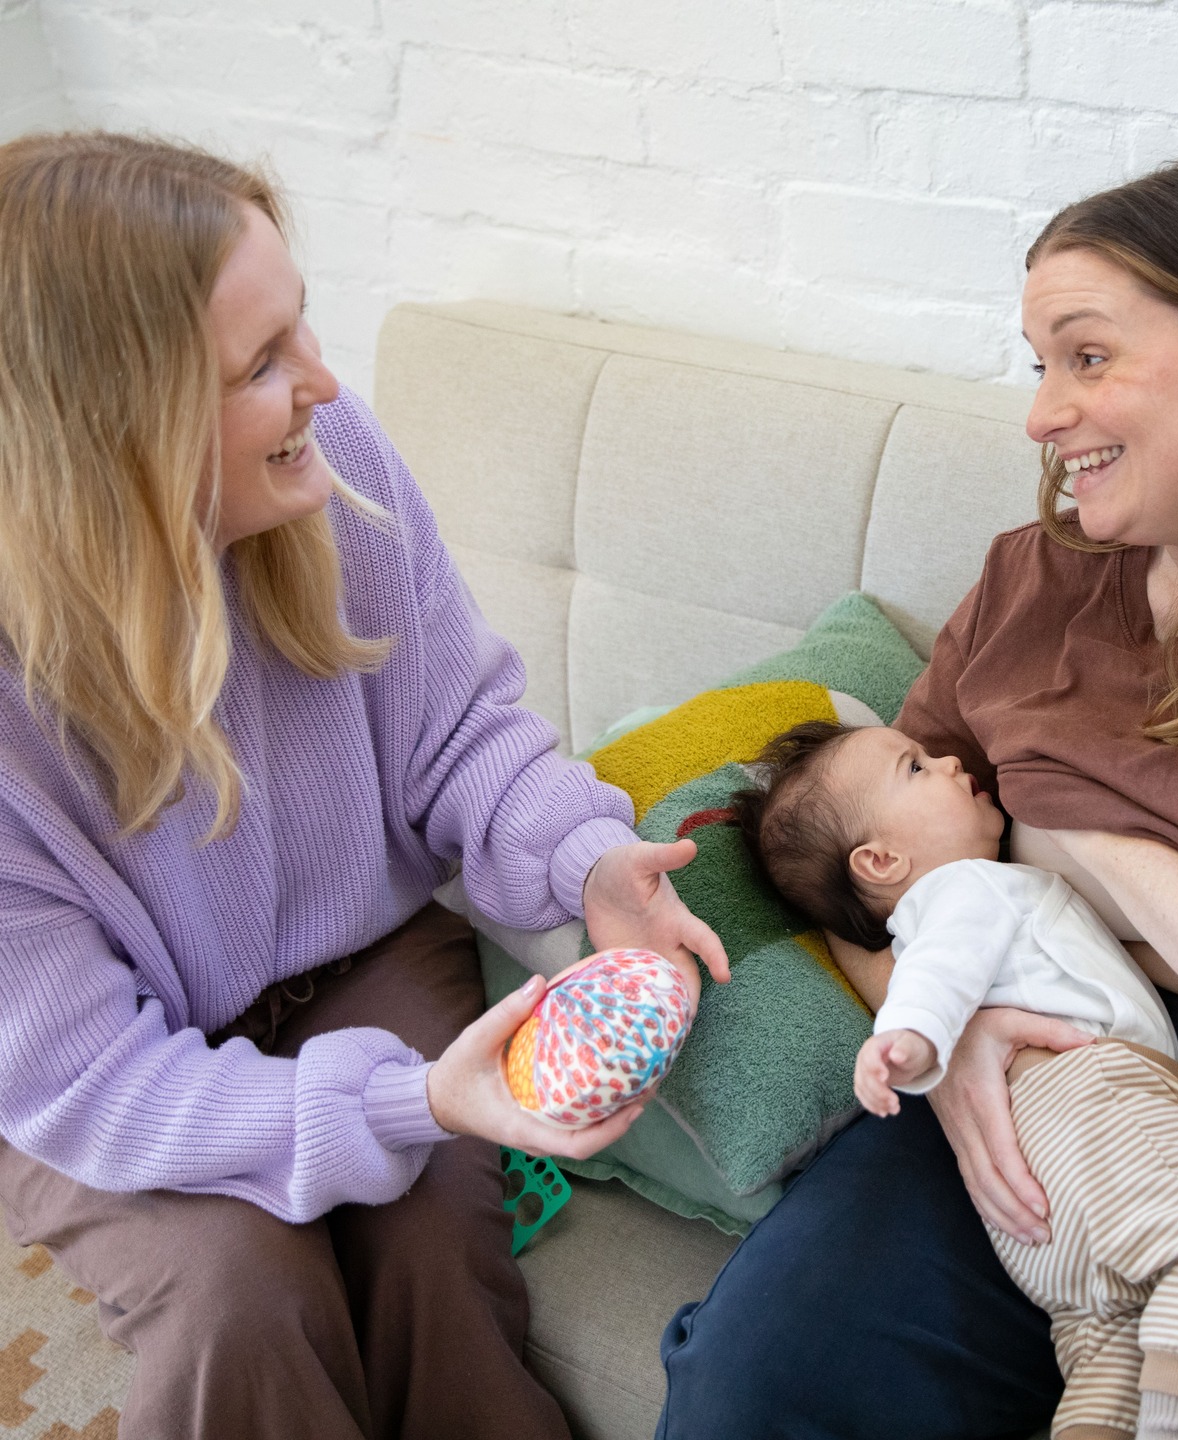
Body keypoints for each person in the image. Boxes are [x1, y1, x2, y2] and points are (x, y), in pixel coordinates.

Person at [657, 154, 1178, 1440]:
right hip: (1041, 1079)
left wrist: (1090, 842)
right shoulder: (1033, 579)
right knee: (767, 1379)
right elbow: (876, 876)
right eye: (1039, 366)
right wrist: (951, 1035)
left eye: (1087, 357)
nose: (1040, 416)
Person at [0, 131, 729, 1440]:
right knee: (237, 1300)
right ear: (122, 429)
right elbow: (91, 1081)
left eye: (302, 327)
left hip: (362, 963)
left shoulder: (333, 469)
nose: (324, 384)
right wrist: (408, 1099)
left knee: (436, 1227)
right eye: (262, 364)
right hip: (111, 1069)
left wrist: (586, 860)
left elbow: (458, 733)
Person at [734, 718, 1178, 1440]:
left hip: (1025, 1197)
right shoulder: (969, 889)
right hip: (1095, 1105)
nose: (952, 761)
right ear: (882, 860)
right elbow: (938, 974)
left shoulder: (959, 904)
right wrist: (911, 1037)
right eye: (917, 769)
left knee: (1105, 1346)